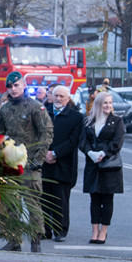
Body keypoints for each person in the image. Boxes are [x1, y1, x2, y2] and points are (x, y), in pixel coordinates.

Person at [0, 72, 53, 253]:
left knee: (32, 203)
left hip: (30, 164)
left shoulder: (35, 107)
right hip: (10, 164)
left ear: (24, 85)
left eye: (16, 85)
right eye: (10, 87)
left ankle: (36, 241)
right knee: (11, 204)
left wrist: (38, 160)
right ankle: (14, 240)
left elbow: (46, 133)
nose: (13, 89)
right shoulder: (4, 109)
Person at [80, 91, 124, 244]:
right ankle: (94, 231)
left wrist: (103, 153)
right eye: (105, 103)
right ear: (98, 103)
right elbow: (83, 140)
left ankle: (103, 232)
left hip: (109, 164)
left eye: (110, 103)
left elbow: (117, 142)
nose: (108, 105)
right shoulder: (88, 121)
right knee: (94, 198)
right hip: (92, 164)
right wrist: (90, 153)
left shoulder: (117, 121)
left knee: (107, 199)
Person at [42, 85, 83, 242]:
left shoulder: (76, 117)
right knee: (44, 198)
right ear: (51, 96)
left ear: (68, 99)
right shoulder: (43, 112)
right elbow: (36, 135)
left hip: (64, 164)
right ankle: (45, 230)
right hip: (44, 162)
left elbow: (73, 141)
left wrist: (55, 153)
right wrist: (45, 153)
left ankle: (60, 230)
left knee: (61, 200)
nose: (58, 99)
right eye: (56, 95)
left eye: (62, 96)